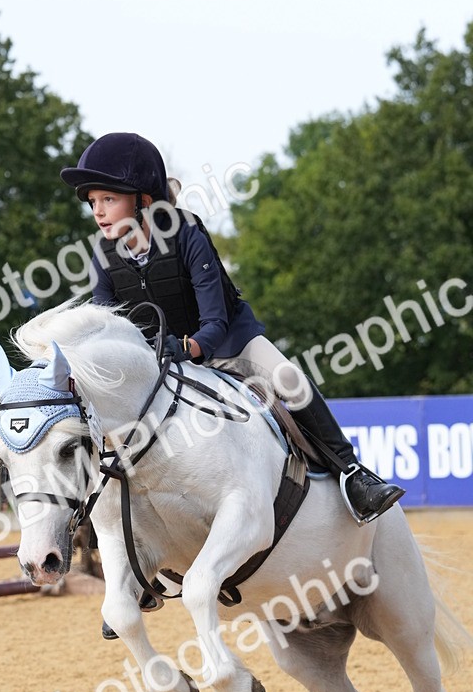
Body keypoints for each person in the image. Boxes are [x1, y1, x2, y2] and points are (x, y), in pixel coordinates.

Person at [60, 132, 405, 525]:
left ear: (142, 200)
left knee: (289, 378)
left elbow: (216, 320)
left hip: (229, 342)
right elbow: (108, 331)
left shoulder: (186, 231)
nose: (98, 212)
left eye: (108, 199)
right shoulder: (103, 254)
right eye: (93, 202)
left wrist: (185, 349)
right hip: (163, 359)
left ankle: (353, 474)